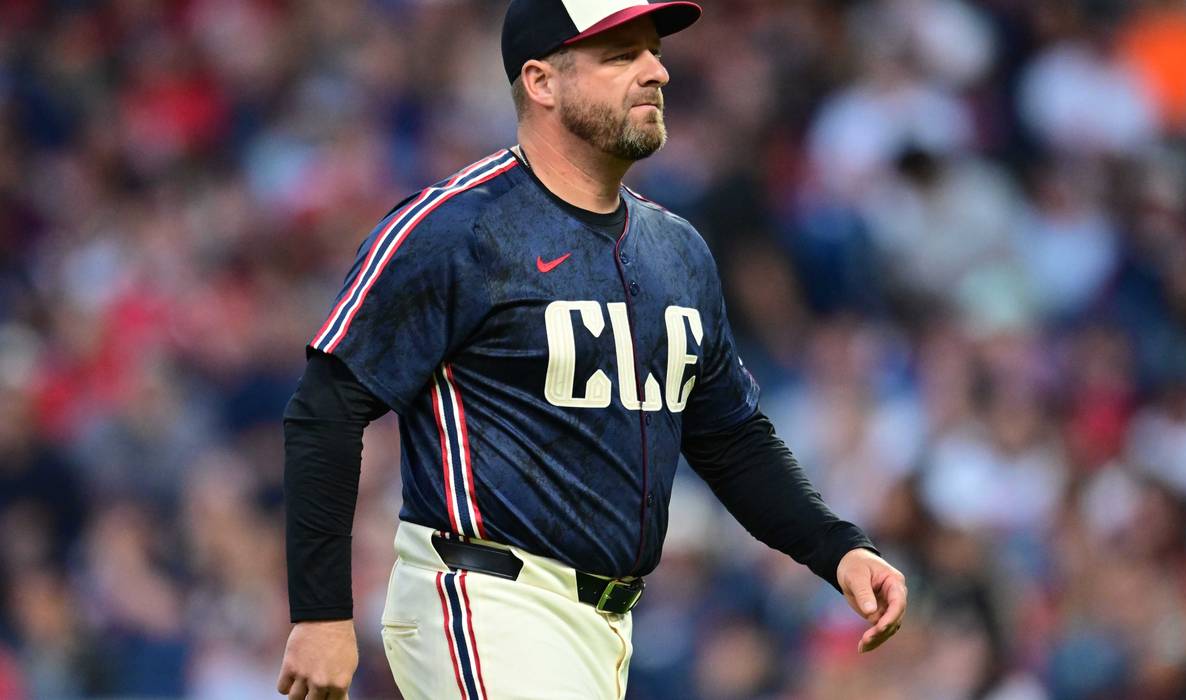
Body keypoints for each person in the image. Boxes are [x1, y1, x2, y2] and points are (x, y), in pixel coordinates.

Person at [277, 1, 908, 698]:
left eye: (652, 52)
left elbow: (727, 435)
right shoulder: (457, 228)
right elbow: (325, 408)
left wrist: (835, 547)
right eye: (619, 56)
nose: (656, 72)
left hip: (603, 625)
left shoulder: (676, 249)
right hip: (486, 597)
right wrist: (322, 614)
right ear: (542, 82)